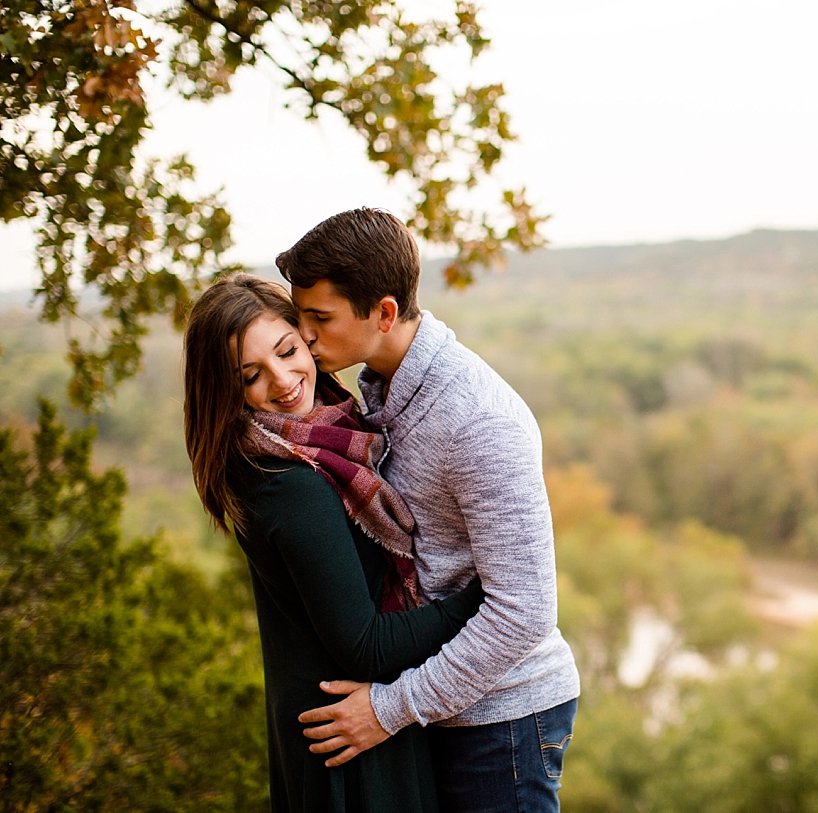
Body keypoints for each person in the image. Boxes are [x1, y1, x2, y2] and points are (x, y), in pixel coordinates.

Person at [280, 208, 580, 813]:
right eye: (299, 316)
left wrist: (389, 710)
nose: (306, 338)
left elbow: (525, 613)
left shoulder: (476, 419)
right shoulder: (381, 387)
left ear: (384, 313)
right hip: (444, 707)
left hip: (505, 720)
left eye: (320, 318)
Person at [182, 273, 486, 813]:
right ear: (226, 391)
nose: (282, 381)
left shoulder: (306, 447)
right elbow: (363, 644)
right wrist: (479, 596)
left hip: (343, 724)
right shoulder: (290, 482)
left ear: (307, 336)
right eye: (252, 375)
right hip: (350, 738)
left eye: (287, 350)